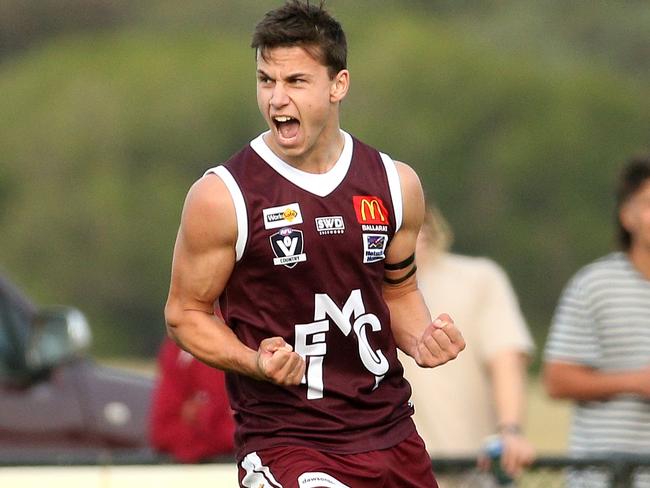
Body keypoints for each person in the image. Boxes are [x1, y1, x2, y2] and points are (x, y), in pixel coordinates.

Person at [163, 1, 466, 487]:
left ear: (338, 85)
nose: (276, 99)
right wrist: (255, 362)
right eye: (266, 80)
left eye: (296, 82)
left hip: (390, 436)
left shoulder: (395, 184)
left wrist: (422, 339)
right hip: (288, 442)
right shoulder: (224, 196)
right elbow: (185, 313)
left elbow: (398, 292)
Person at [400, 206, 536, 487]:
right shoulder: (353, 286)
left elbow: (506, 357)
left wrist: (510, 430)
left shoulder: (479, 278)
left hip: (472, 470)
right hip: (391, 468)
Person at [543, 154, 650, 488]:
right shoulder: (594, 285)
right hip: (603, 475)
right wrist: (636, 382)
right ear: (627, 215)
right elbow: (558, 379)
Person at [149, 335, 235, 463]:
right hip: (206, 469)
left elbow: (262, 432)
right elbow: (163, 431)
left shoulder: (264, 340)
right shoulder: (182, 343)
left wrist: (202, 416)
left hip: (261, 467)